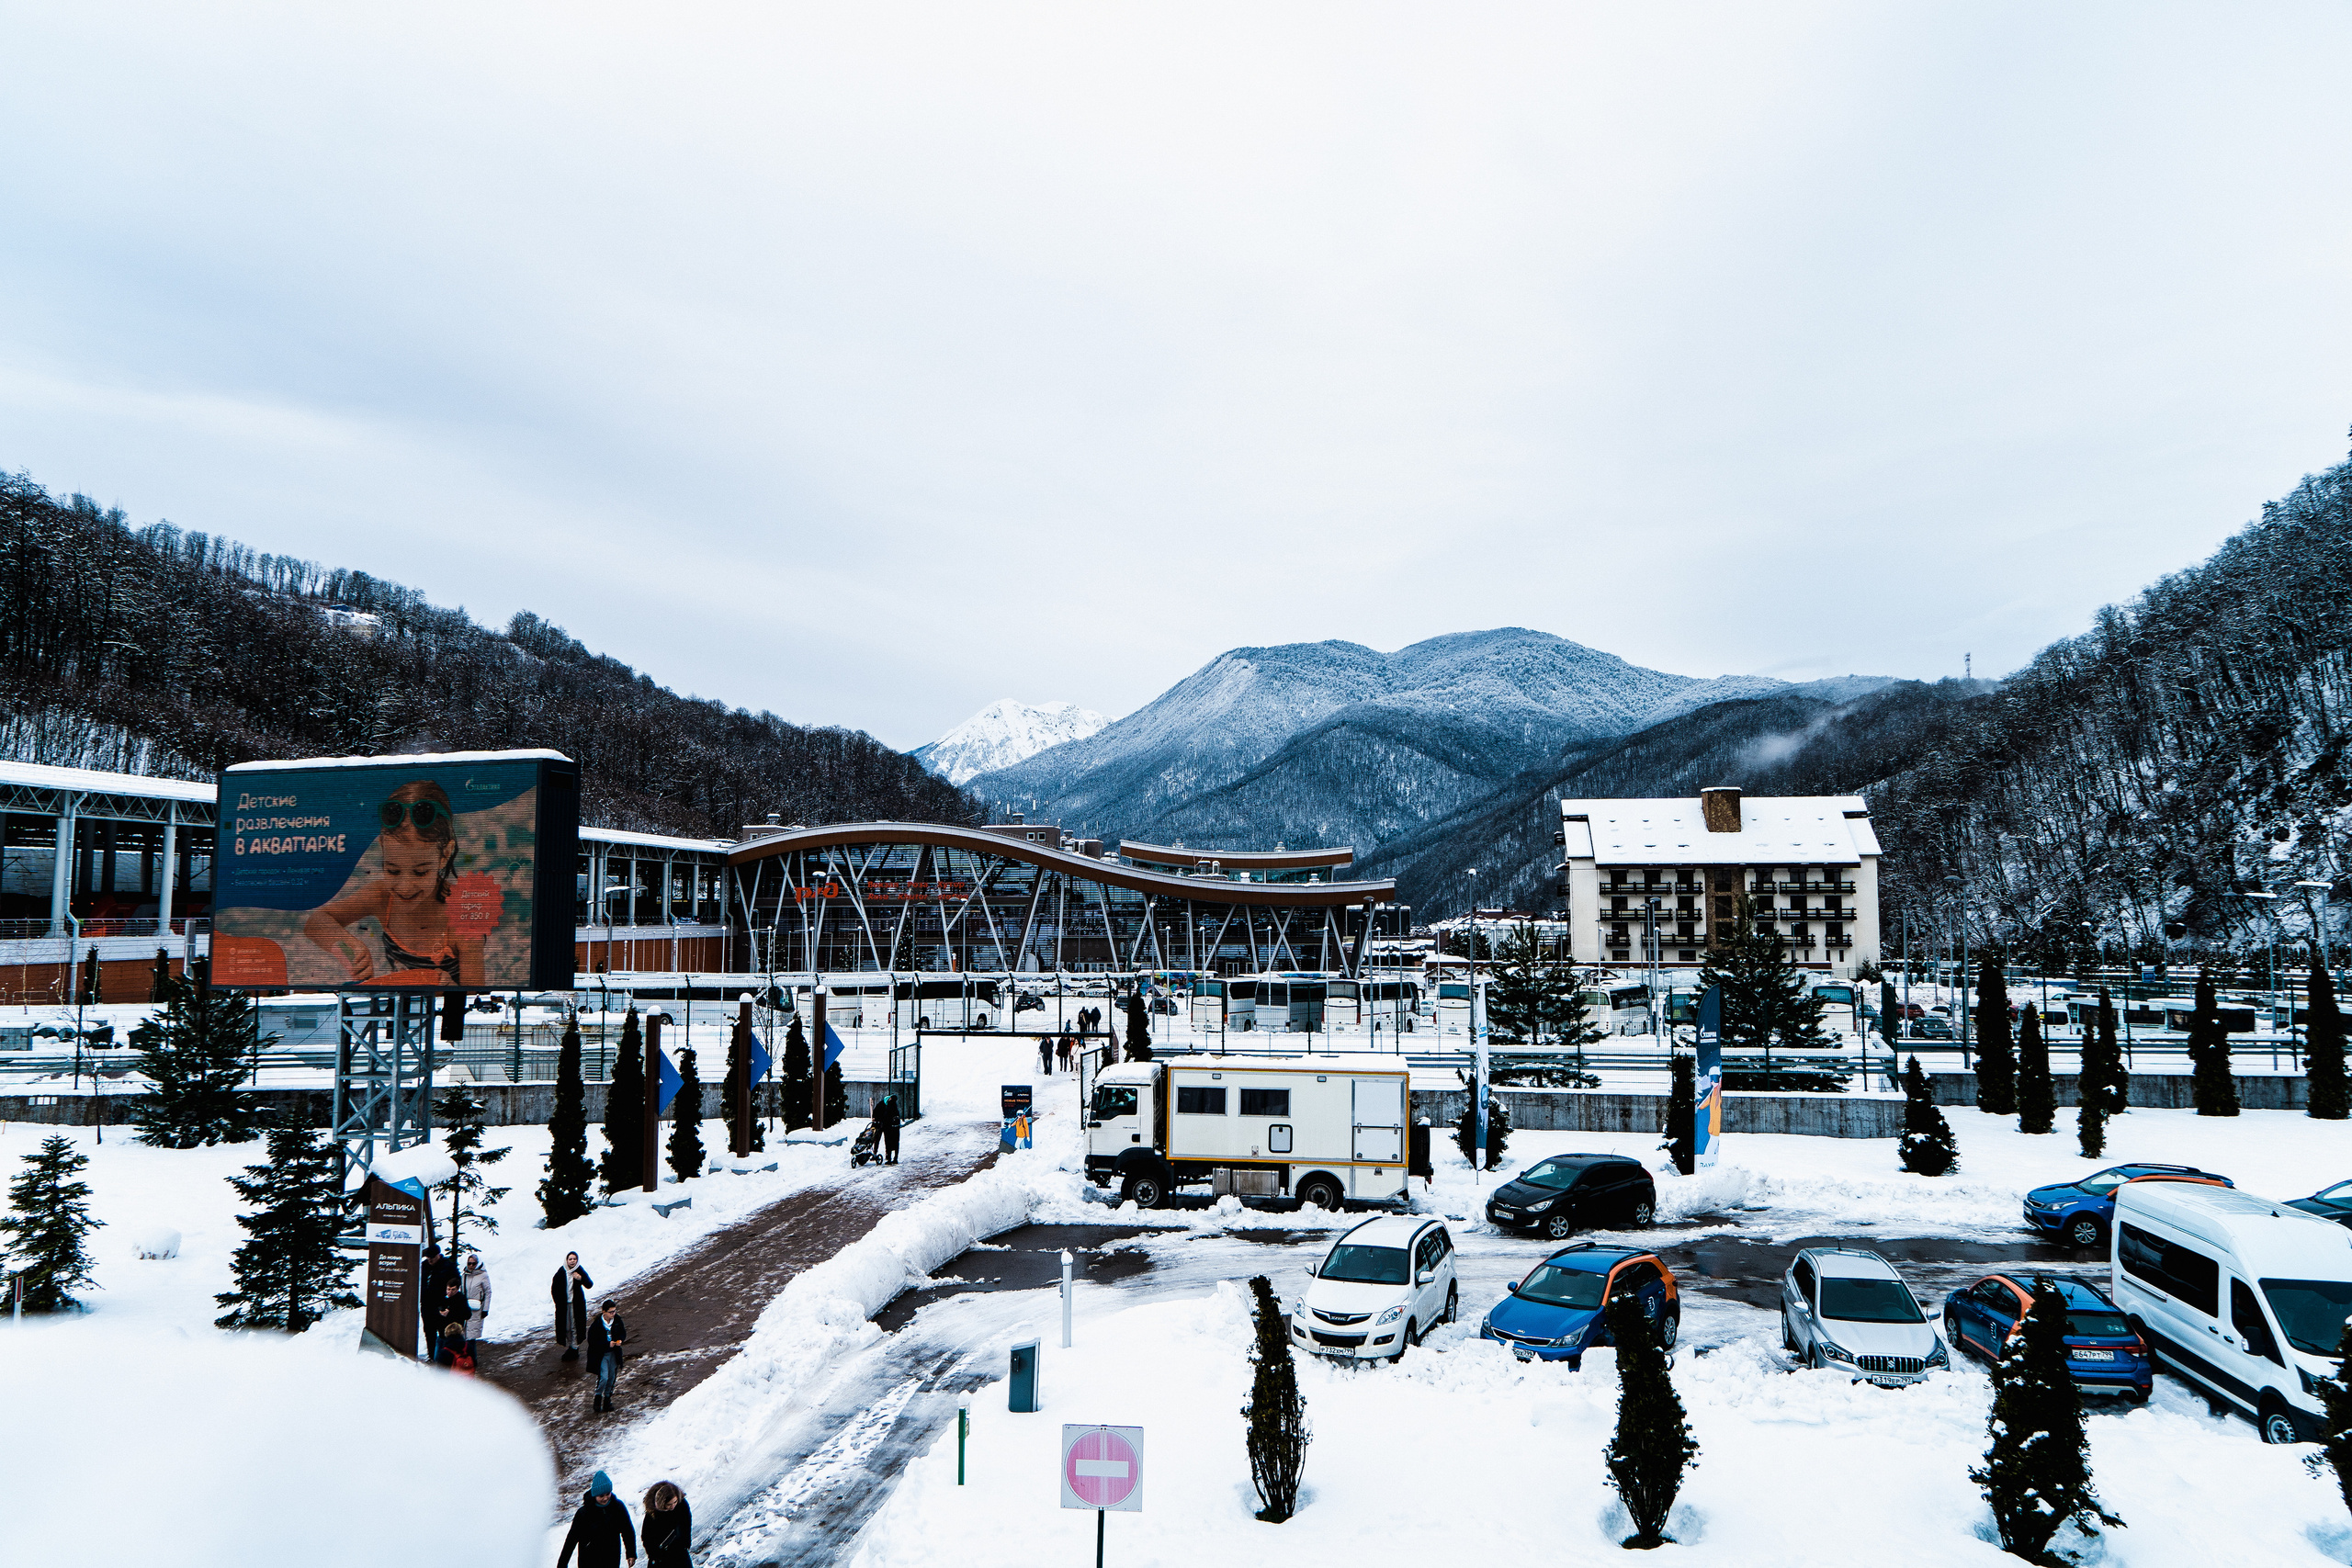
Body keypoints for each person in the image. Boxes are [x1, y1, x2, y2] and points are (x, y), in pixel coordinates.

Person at [300, 779, 486, 987]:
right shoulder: (382, 897)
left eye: (420, 872)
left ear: (445, 854)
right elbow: (316, 922)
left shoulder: (464, 920)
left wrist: (451, 991)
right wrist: (349, 947)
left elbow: (477, 998)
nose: (404, 887)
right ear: (381, 845)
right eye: (393, 870)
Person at [557, 1472, 638, 1568]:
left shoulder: (618, 1507)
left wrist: (631, 1553)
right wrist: (562, 1564)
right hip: (589, 1560)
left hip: (611, 1558)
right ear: (595, 1495)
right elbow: (571, 1540)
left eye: (608, 1494)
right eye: (601, 1496)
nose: (605, 1498)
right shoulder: (584, 1513)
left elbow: (627, 1531)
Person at [587, 1298, 628, 1413]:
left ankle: (607, 1399)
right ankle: (598, 1396)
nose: (613, 1314)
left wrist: (620, 1340)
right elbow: (592, 1342)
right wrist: (607, 1344)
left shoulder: (617, 1320)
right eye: (611, 1312)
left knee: (611, 1377)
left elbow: (622, 1332)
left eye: (614, 1311)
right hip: (601, 1355)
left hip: (613, 1353)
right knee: (604, 1377)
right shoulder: (597, 1325)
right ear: (604, 1312)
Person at [639, 1482, 692, 1568]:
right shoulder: (653, 1514)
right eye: (669, 1504)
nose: (673, 1506)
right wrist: (654, 1555)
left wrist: (686, 1543)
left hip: (679, 1549)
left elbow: (686, 1523)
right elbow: (646, 1536)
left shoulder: (681, 1504)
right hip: (660, 1554)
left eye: (675, 1502)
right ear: (662, 1503)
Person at [553, 1252, 594, 1362]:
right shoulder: (561, 1272)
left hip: (576, 1305)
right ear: (566, 1260)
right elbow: (554, 1288)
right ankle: (570, 1345)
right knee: (566, 1327)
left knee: (574, 1326)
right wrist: (558, 1302)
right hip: (564, 1305)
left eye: (574, 1259)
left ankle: (575, 1347)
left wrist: (580, 1278)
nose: (572, 1261)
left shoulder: (579, 1270)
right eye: (570, 1259)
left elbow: (589, 1284)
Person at [462, 1253, 491, 1355]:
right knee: (464, 1335)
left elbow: (488, 1292)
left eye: (473, 1264)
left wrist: (485, 1309)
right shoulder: (464, 1275)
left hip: (477, 1309)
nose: (471, 1266)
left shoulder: (483, 1275)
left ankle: (472, 1359)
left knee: (471, 1337)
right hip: (465, 1308)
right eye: (469, 1263)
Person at [873, 1094, 900, 1167]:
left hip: (887, 1127)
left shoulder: (889, 1106)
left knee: (887, 1142)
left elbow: (886, 1116)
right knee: (895, 1143)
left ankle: (889, 1159)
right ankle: (894, 1158)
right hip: (894, 1128)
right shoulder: (895, 1107)